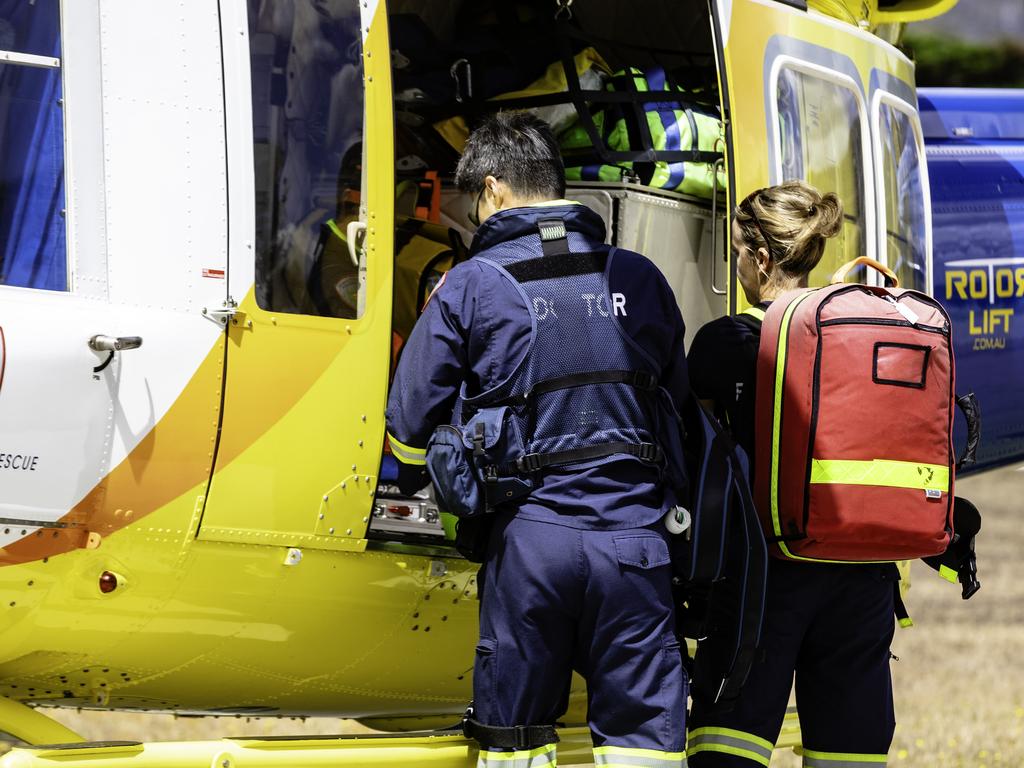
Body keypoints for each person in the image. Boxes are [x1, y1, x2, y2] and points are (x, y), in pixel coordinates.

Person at [385, 111, 690, 768]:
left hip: (529, 547)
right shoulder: (640, 278)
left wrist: (429, 476)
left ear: (492, 190)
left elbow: (409, 421)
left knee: (514, 741)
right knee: (647, 748)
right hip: (637, 546)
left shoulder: (471, 281)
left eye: (470, 206)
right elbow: (678, 409)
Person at [685, 181, 900, 767]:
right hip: (864, 578)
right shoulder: (859, 336)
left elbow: (691, 453)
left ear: (760, 258)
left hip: (764, 577)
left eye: (736, 254)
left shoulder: (727, 342)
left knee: (726, 753)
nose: (737, 268)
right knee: (847, 758)